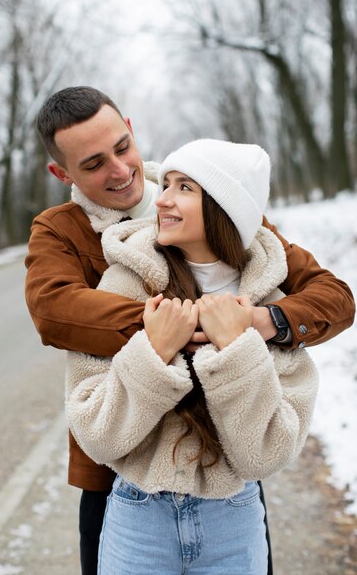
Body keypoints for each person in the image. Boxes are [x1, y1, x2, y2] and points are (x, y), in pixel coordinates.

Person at [24, 86, 355, 575]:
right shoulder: (60, 229)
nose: (119, 170)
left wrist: (262, 322)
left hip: (224, 463)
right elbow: (53, 310)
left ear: (132, 132)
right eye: (93, 164)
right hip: (121, 472)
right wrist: (165, 325)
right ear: (62, 173)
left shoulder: (216, 195)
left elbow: (332, 297)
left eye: (121, 148)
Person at [65, 138, 319, 574]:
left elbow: (265, 457)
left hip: (233, 520)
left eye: (184, 187)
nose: (160, 199)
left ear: (225, 208)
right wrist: (154, 351)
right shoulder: (124, 284)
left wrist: (238, 350)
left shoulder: (266, 303)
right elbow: (96, 434)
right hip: (137, 517)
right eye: (166, 184)